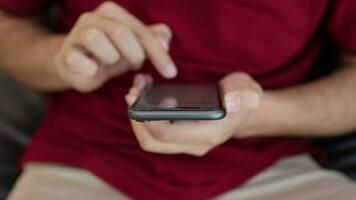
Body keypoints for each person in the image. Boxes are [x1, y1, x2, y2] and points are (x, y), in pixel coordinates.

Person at [1, 0, 356, 199]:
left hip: (272, 169)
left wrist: (259, 115)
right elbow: (8, 25)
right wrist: (59, 58)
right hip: (85, 161)